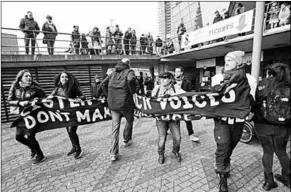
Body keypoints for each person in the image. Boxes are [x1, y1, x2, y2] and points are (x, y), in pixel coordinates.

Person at [211, 50, 257, 192]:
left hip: (238, 120)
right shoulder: (217, 78)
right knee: (223, 145)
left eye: (230, 60)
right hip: (222, 120)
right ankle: (223, 177)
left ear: (238, 62)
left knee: (231, 145)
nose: (226, 62)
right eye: (225, 60)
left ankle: (223, 160)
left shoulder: (249, 79)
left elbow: (252, 99)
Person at [253, 63, 290, 190]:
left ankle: (268, 182)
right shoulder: (288, 84)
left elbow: (256, 102)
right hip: (283, 126)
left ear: (270, 72)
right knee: (282, 152)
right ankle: (288, 178)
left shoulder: (263, 83)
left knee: (267, 152)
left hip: (263, 124)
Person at [100, 58, 137, 161]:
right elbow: (130, 80)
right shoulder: (129, 72)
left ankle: (113, 153)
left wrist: (109, 96)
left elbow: (102, 84)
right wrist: (132, 91)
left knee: (115, 128)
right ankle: (126, 139)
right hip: (126, 104)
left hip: (113, 105)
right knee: (130, 121)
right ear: (129, 64)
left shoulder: (113, 72)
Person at [8, 69, 46, 164]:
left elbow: (44, 99)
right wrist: (20, 103)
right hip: (21, 116)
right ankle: (33, 149)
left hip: (32, 115)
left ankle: (40, 155)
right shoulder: (15, 87)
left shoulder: (35, 88)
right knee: (19, 137)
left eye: (30, 76)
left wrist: (37, 100)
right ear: (20, 78)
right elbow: (9, 100)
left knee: (30, 136)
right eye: (26, 76)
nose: (29, 78)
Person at [47, 71, 85, 159]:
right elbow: (50, 97)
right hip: (64, 114)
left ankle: (79, 149)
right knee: (68, 131)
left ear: (69, 78)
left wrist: (78, 99)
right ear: (59, 79)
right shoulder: (57, 88)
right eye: (62, 77)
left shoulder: (73, 87)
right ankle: (74, 147)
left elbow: (83, 96)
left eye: (66, 77)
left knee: (72, 131)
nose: (64, 78)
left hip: (73, 113)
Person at [151, 71, 185, 164]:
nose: (163, 80)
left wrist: (173, 97)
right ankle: (161, 154)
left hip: (173, 118)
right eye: (161, 78)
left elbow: (186, 97)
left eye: (165, 78)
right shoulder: (157, 89)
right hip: (160, 119)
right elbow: (151, 101)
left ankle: (176, 151)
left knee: (177, 137)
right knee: (162, 138)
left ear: (170, 79)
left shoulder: (176, 88)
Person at [174, 67, 200, 142]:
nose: (176, 73)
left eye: (178, 71)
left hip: (184, 103)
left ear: (182, 73)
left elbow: (189, 93)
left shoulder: (187, 82)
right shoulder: (172, 81)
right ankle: (169, 130)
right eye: (175, 71)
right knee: (174, 118)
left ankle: (191, 135)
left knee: (187, 119)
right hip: (175, 103)